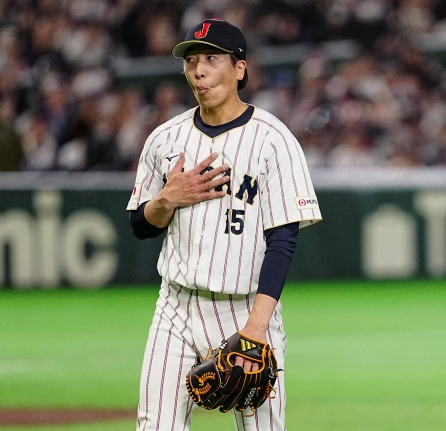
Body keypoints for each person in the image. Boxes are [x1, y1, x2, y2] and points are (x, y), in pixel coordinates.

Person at [126, 19, 322, 431]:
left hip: (245, 308)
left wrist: (257, 328)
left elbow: (283, 241)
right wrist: (166, 199)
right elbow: (141, 225)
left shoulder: (273, 139)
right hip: (175, 307)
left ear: (239, 68)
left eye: (211, 59)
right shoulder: (164, 139)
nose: (198, 70)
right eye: (191, 61)